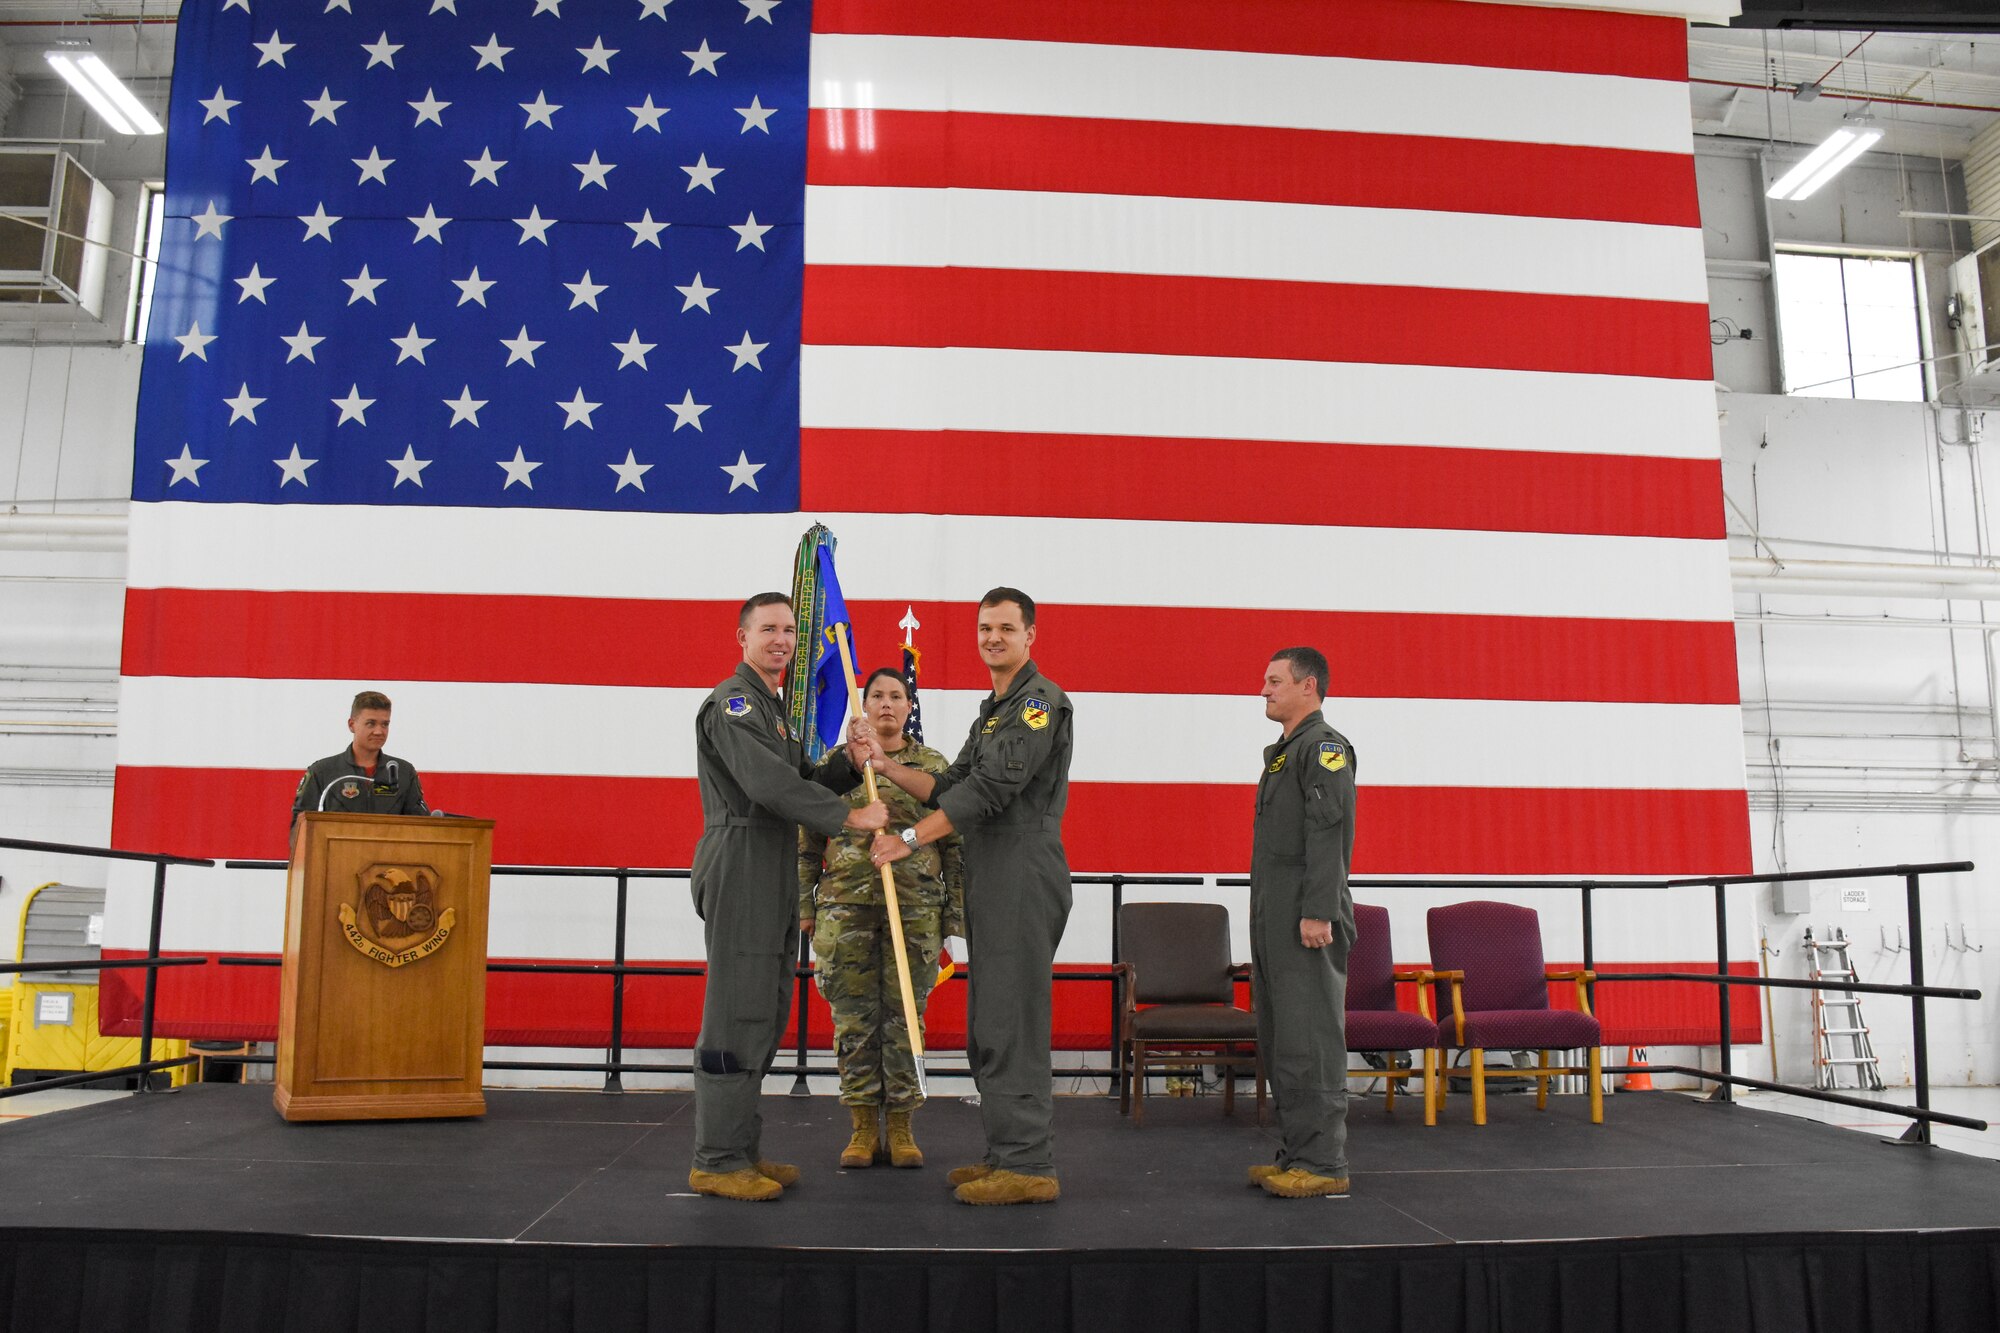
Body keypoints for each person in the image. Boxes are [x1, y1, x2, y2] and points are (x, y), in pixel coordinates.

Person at [854, 588, 1072, 1206]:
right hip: (993, 872)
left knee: (1014, 1022)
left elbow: (991, 792)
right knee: (991, 1023)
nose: (992, 638)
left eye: (1006, 627)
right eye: (984, 628)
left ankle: (1029, 1163)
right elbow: (951, 783)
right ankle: (1006, 1152)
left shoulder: (1037, 704)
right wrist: (887, 765)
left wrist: (907, 838)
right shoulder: (995, 710)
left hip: (1023, 870)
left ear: (1031, 634)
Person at [688, 592, 888, 1203]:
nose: (781, 640)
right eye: (768, 629)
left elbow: (798, 777)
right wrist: (849, 818)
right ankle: (717, 1158)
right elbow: (767, 784)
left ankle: (741, 1148)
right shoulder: (736, 702)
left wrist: (849, 766)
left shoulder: (771, 710)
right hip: (743, 858)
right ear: (742, 637)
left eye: (790, 632)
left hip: (770, 862)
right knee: (737, 1010)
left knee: (767, 1007)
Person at [800, 668, 965, 1170]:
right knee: (854, 1021)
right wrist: (805, 909)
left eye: (897, 696)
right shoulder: (838, 764)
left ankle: (901, 1125)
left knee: (905, 1019)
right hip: (844, 910)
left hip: (914, 910)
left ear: (909, 704)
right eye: (877, 696)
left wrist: (954, 915)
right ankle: (862, 1127)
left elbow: (956, 842)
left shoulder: (931, 766)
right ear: (864, 705)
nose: (887, 704)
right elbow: (807, 839)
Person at [1247, 646, 1358, 1199]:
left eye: (1274, 681)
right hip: (1275, 910)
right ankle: (1296, 1152)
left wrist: (1318, 909)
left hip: (1304, 914)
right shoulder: (1286, 751)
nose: (1263, 690)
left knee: (1311, 1037)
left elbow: (1327, 833)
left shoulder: (1325, 748)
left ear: (1308, 686)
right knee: (1282, 1035)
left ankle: (1323, 1163)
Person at [291, 690, 428, 832]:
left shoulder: (403, 773)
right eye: (371, 723)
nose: (379, 731)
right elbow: (300, 828)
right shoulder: (323, 772)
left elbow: (420, 827)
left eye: (385, 724)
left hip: (389, 854)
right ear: (351, 725)